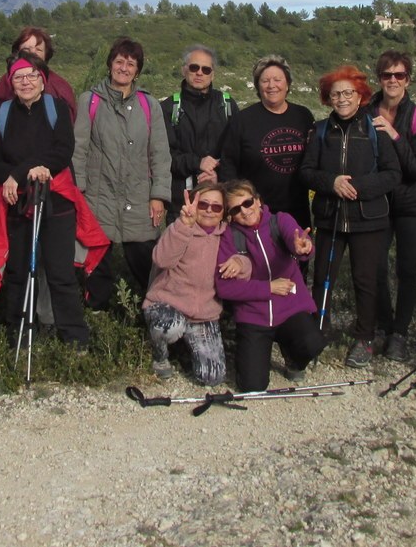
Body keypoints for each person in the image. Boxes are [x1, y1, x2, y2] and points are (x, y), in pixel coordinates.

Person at [0, 54, 92, 348]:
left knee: (60, 272)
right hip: (18, 203)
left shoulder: (56, 108)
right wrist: (17, 175)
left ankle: (74, 338)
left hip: (56, 201)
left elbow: (63, 150)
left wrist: (17, 173)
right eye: (19, 77)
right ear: (10, 82)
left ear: (42, 80)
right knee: (18, 271)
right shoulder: (3, 113)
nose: (26, 82)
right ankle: (18, 334)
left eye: (32, 75)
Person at [300, 65, 400, 368]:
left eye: (348, 93)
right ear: (328, 99)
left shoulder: (375, 128)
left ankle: (364, 338)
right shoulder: (319, 131)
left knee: (366, 280)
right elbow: (306, 172)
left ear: (360, 96)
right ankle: (319, 331)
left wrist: (358, 186)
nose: (342, 99)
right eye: (335, 94)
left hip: (368, 219)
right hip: (330, 217)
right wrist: (331, 182)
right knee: (323, 277)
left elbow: (393, 174)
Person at [72, 37, 171, 309]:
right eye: (119, 61)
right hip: (97, 198)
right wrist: (78, 194)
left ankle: (155, 315)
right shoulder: (89, 101)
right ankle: (100, 320)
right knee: (97, 267)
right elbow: (79, 150)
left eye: (131, 64)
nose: (124, 68)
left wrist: (159, 195)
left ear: (137, 71)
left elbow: (160, 154)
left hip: (139, 199)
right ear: (109, 64)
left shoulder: (149, 106)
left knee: (146, 264)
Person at [215, 180, 326, 392]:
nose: (245, 212)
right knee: (252, 387)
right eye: (236, 209)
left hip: (289, 307)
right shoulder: (229, 237)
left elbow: (297, 241)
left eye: (247, 203)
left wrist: (303, 248)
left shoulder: (280, 221)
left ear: (258, 201)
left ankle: (293, 356)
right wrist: (268, 288)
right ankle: (256, 352)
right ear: (230, 215)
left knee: (312, 343)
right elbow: (224, 288)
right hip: (253, 315)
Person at [367, 51, 416, 361]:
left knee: (406, 270)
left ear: (408, 79)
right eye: (387, 75)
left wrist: (394, 135)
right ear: (379, 78)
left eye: (399, 75)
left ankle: (400, 333)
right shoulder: (366, 112)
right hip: (378, 202)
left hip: (411, 203)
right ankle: (383, 324)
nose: (393, 81)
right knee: (376, 266)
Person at [143, 184, 236, 385]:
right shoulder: (180, 228)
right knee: (170, 327)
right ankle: (160, 357)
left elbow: (244, 263)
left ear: (223, 213)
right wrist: (184, 226)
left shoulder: (227, 236)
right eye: (203, 204)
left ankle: (185, 349)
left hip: (203, 313)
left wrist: (240, 264)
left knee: (212, 377)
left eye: (217, 207)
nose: (209, 210)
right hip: (168, 304)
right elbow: (162, 260)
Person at [219, 55, 313, 233]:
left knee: (298, 257)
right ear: (257, 86)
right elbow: (228, 163)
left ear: (287, 84)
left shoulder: (303, 116)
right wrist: (235, 203)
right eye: (265, 81)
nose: (272, 85)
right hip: (255, 212)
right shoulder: (243, 120)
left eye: (277, 80)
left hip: (297, 210)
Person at [160, 45, 238, 221]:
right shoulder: (168, 108)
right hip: (182, 203)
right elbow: (163, 156)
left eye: (206, 69)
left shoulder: (227, 105)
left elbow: (236, 153)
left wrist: (218, 174)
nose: (199, 73)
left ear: (213, 74)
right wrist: (198, 163)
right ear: (184, 70)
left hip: (220, 200)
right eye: (194, 67)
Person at [0, 26, 77, 120]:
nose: (32, 53)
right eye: (26, 49)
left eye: (38, 49)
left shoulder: (60, 86)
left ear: (46, 54)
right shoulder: (5, 82)